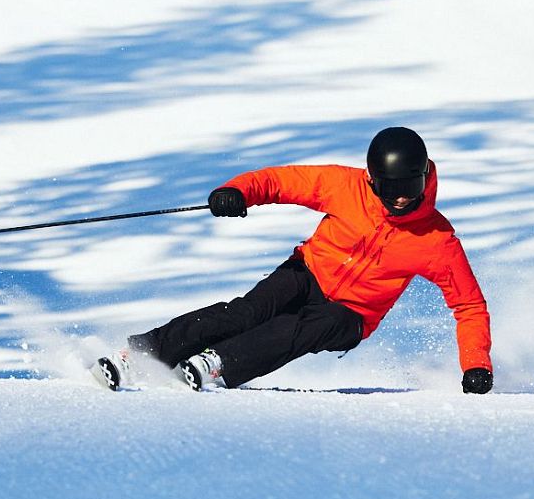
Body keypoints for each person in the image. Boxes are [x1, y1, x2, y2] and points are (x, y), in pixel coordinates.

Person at [94, 127, 493, 394]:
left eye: (410, 186)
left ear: (425, 177)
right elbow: (284, 181)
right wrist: (237, 191)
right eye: (392, 188)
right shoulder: (345, 186)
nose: (403, 197)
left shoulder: (437, 240)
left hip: (350, 315)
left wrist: (477, 364)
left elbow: (469, 306)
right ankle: (146, 352)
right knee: (247, 312)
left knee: (297, 329)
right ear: (372, 180)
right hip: (308, 271)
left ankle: (217, 365)